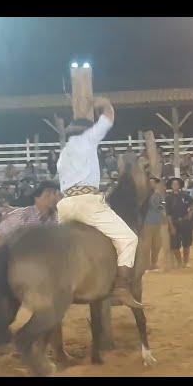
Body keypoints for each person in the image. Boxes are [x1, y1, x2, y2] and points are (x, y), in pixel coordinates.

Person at [55, 97, 141, 308]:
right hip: (87, 203)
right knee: (129, 239)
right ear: (87, 131)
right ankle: (121, 287)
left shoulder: (63, 154)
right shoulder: (88, 139)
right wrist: (103, 104)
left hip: (65, 206)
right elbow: (109, 117)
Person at [0, 180, 60, 245]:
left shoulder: (57, 217)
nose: (53, 198)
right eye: (48, 195)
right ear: (36, 198)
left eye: (55, 194)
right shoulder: (22, 215)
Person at [165, 177, 193, 268]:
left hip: (185, 221)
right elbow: (168, 214)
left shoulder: (184, 195)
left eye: (177, 184)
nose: (175, 186)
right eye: (173, 184)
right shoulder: (168, 198)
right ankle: (179, 262)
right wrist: (171, 226)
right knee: (175, 245)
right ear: (171, 186)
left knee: (186, 243)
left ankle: (186, 262)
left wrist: (190, 212)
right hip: (174, 222)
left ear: (179, 185)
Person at [141, 177, 165, 271]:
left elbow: (162, 204)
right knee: (147, 245)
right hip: (147, 222)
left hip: (156, 221)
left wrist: (161, 207)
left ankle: (154, 263)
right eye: (150, 182)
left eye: (153, 183)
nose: (152, 184)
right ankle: (146, 265)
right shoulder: (145, 195)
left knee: (156, 245)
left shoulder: (158, 194)